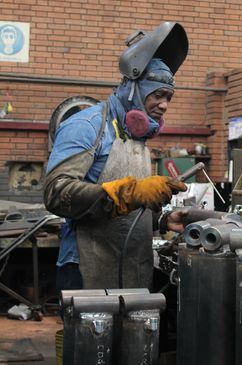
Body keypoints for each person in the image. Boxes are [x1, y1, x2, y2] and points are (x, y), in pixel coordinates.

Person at [43, 22, 189, 291]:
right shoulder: (87, 126)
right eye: (158, 95)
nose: (164, 105)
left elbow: (131, 212)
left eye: (169, 97)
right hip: (87, 268)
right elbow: (55, 192)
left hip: (134, 268)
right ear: (132, 88)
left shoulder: (138, 137)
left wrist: (161, 220)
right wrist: (129, 193)